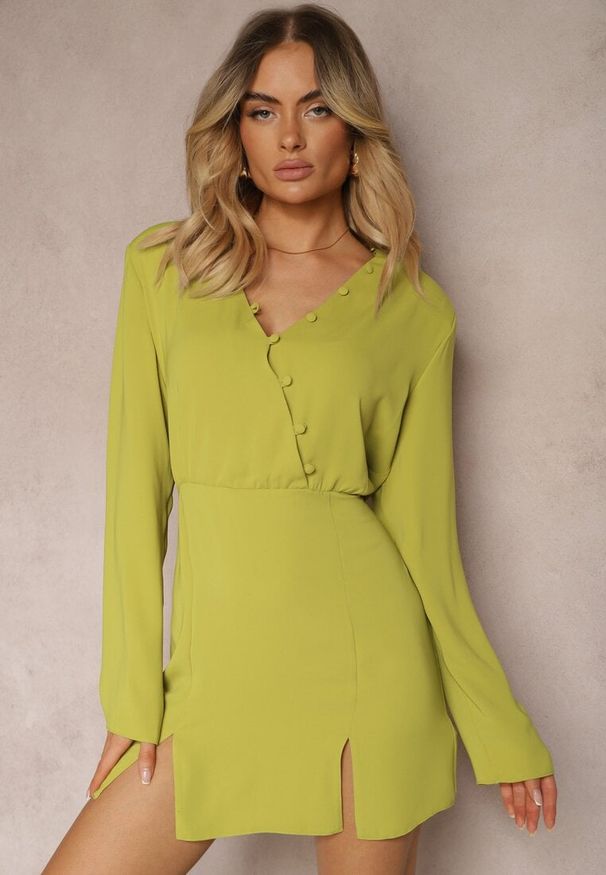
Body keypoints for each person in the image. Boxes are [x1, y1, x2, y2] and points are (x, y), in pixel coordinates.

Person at [42, 5, 557, 873]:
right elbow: (135, 492)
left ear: (354, 133)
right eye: (263, 109)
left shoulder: (412, 309)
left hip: (368, 671)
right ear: (235, 131)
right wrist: (133, 697)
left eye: (317, 108)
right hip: (212, 675)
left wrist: (501, 727)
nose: (289, 136)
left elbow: (427, 544)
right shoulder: (164, 271)